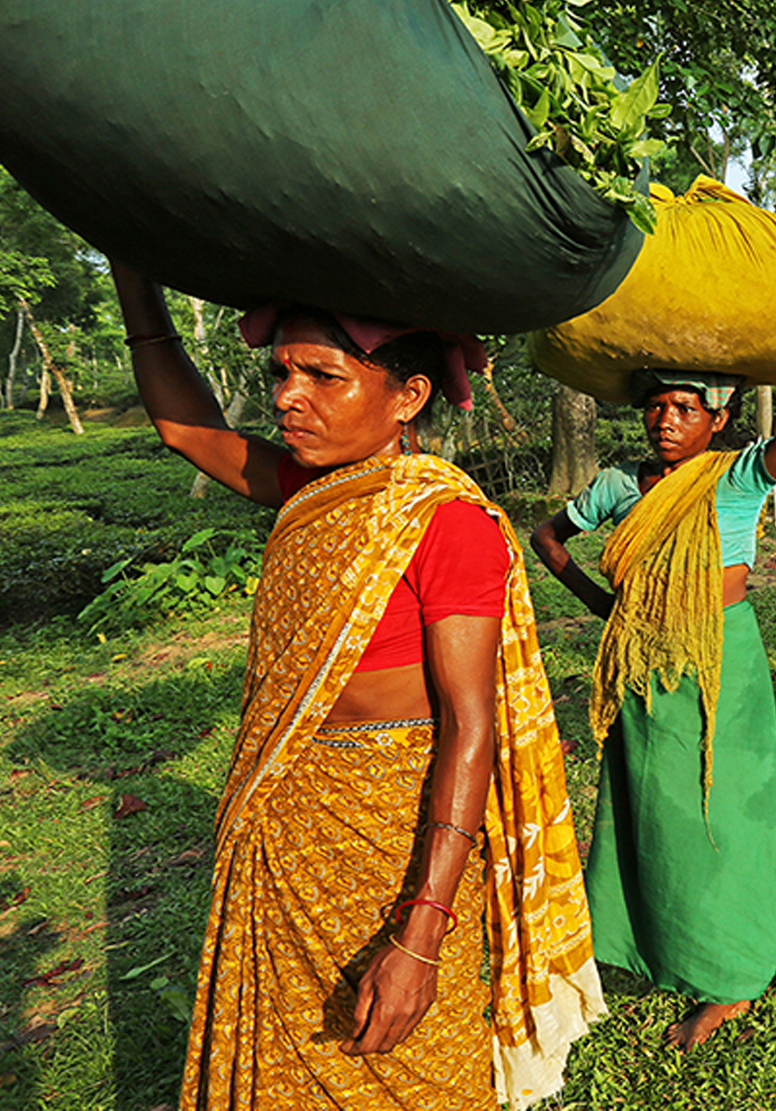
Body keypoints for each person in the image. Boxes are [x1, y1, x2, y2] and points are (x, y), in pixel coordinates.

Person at [111, 263, 599, 1110]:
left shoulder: (447, 523)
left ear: (408, 395)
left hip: (395, 852)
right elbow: (186, 430)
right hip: (283, 834)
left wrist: (422, 929)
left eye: (322, 376)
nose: (288, 398)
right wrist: (134, 273)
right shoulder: (316, 490)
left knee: (409, 1073)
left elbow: (470, 727)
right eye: (280, 372)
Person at [528, 231, 776, 1048]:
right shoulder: (619, 486)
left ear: (717, 417)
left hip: (728, 662)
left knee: (747, 816)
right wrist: (608, 608)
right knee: (672, 823)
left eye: (685, 406)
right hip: (647, 672)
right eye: (655, 405)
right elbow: (547, 540)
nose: (666, 420)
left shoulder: (739, 476)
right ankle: (717, 976)